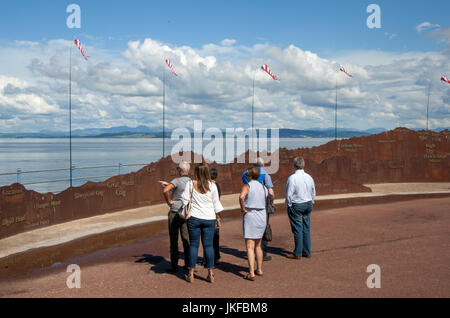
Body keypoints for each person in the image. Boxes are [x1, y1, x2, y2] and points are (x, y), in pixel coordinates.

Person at [181, 163, 224, 283]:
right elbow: (216, 204)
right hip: (209, 218)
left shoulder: (190, 184)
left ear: (196, 172)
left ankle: (191, 273)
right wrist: (218, 219)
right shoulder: (212, 186)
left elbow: (184, 200)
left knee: (194, 245)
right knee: (208, 246)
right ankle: (211, 274)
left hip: (194, 218)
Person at [239, 167, 273, 281]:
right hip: (262, 215)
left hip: (251, 214)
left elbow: (241, 197)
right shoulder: (263, 187)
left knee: (249, 246)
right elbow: (270, 196)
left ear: (249, 175)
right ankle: (259, 269)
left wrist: (243, 208)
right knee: (258, 245)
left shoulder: (247, 185)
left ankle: (251, 272)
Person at [158, 161, 191, 273]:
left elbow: (165, 190)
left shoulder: (176, 181)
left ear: (180, 170)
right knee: (186, 239)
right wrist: (170, 185)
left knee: (174, 239)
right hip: (186, 213)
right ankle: (188, 264)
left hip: (175, 212)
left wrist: (169, 202)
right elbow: (182, 191)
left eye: (178, 169)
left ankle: (174, 266)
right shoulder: (192, 182)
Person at [242, 158, 275, 261]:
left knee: (250, 233)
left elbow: (245, 189)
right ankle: (263, 253)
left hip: (249, 205)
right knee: (263, 229)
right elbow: (271, 192)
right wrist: (271, 201)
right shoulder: (266, 175)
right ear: (263, 165)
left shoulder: (245, 174)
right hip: (262, 205)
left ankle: (252, 253)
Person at [285, 156, 316, 260]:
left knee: (298, 229)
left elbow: (289, 194)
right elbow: (313, 191)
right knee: (306, 228)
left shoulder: (292, 178)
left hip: (297, 204)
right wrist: (312, 201)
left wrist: (289, 204)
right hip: (308, 204)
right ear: (303, 165)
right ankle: (307, 251)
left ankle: (297, 253)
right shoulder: (309, 177)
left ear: (294, 165)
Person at [209, 167, 222, 265]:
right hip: (216, 213)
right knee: (215, 237)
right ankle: (216, 256)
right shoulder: (217, 186)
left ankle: (211, 258)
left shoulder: (211, 186)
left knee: (209, 237)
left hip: (211, 214)